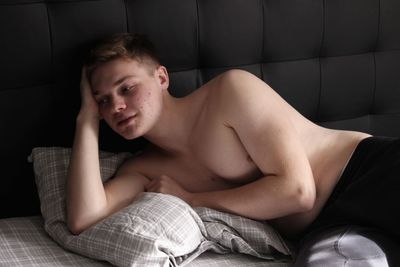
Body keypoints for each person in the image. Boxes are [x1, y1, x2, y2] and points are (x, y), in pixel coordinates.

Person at [66, 33, 399, 252]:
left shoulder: (229, 93)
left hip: (367, 173)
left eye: (126, 88)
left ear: (162, 77)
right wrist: (86, 121)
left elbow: (298, 192)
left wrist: (192, 198)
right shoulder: (144, 169)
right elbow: (83, 219)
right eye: (103, 100)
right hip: (323, 231)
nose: (117, 107)